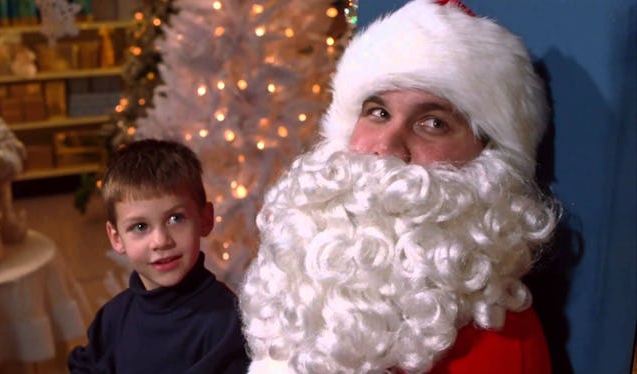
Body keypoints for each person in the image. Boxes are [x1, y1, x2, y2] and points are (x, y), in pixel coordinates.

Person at [239, 0, 559, 373]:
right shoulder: (302, 284)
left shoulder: (501, 346)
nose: (386, 148)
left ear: (489, 162)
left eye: (433, 123)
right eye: (378, 113)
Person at [68, 139, 249, 373]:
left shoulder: (225, 323)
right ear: (116, 238)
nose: (161, 241)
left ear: (205, 219)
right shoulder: (113, 317)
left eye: (176, 219)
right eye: (140, 227)